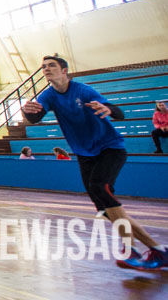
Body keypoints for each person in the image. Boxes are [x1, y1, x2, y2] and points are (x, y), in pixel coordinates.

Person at [22, 55, 166, 271]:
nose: (46, 69)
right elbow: (35, 117)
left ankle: (143, 249)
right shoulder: (48, 95)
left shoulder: (83, 90)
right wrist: (26, 111)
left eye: (51, 65)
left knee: (100, 189)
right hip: (85, 154)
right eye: (43, 67)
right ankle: (147, 250)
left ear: (64, 70)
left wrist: (108, 109)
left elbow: (119, 113)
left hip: (110, 148)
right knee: (105, 208)